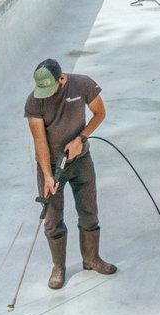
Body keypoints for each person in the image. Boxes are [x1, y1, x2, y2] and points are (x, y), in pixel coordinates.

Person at [23, 58, 118, 290]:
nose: (45, 94)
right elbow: (40, 143)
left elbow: (99, 113)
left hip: (80, 159)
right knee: (53, 218)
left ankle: (91, 258)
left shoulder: (82, 84)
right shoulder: (34, 102)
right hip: (52, 164)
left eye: (50, 88)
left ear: (62, 78)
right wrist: (47, 175)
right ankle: (59, 267)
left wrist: (80, 139)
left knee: (89, 210)